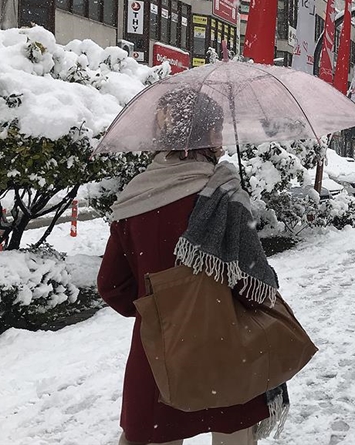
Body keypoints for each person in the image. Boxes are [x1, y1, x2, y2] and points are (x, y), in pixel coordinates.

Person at [98, 87, 283, 445]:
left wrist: (162, 310)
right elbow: (255, 288)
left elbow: (111, 285)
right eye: (218, 129)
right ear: (207, 134)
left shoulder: (135, 198)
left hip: (159, 353)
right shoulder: (224, 194)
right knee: (233, 432)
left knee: (158, 433)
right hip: (225, 347)